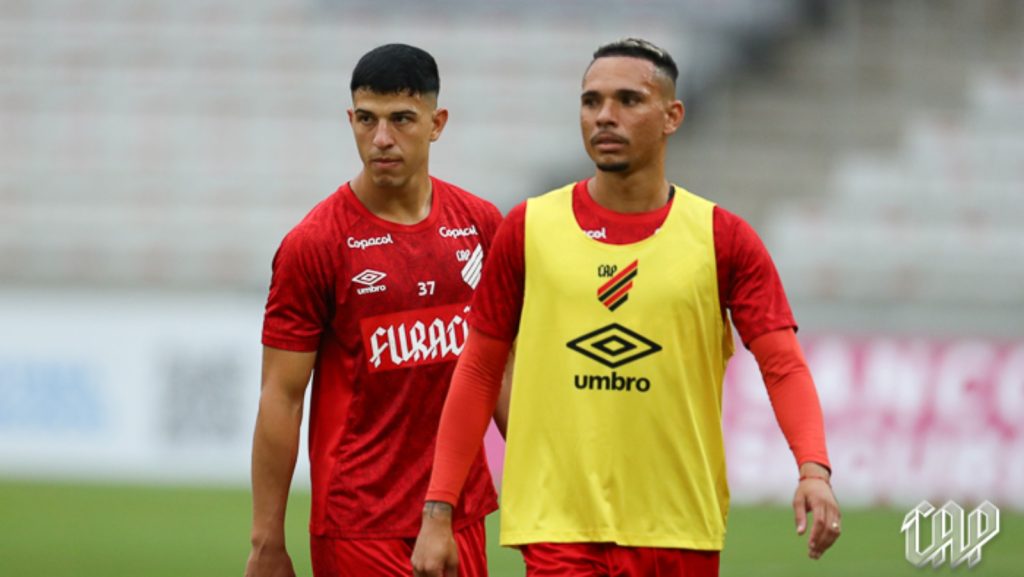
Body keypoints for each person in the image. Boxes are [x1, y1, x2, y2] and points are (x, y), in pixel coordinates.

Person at [411, 37, 841, 577]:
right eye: (591, 101)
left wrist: (813, 469)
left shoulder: (722, 238)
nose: (604, 116)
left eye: (628, 100)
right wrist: (438, 509)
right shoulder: (528, 228)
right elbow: (477, 370)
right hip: (558, 529)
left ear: (672, 115)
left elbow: (782, 364)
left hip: (677, 527)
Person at [244, 44, 503, 577]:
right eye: (367, 119)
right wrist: (267, 540)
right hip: (360, 523)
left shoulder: (481, 224)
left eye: (401, 119)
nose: (381, 138)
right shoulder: (315, 244)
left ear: (437, 123)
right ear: (351, 120)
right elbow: (282, 396)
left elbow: (500, 370)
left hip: (460, 512)